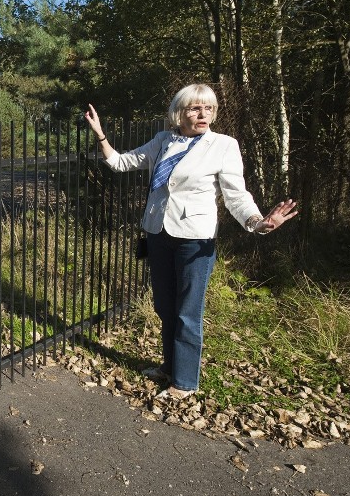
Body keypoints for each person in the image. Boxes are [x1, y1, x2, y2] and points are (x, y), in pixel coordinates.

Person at [84, 84, 298, 399]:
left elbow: (236, 195)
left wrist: (258, 223)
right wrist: (101, 135)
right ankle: (169, 367)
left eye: (208, 108)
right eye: (195, 108)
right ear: (179, 112)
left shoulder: (223, 145)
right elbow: (121, 163)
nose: (202, 114)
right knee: (164, 307)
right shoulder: (164, 140)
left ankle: (184, 383)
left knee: (187, 311)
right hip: (158, 235)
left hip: (194, 241)